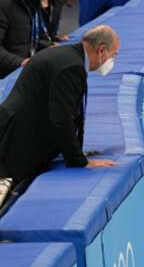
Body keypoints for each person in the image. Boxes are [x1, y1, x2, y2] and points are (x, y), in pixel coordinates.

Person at [0, 25, 119, 207]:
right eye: (114, 54)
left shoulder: (66, 55)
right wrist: (79, 161)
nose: (112, 60)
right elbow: (62, 119)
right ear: (101, 49)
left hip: (18, 127)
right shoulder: (71, 67)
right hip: (18, 139)